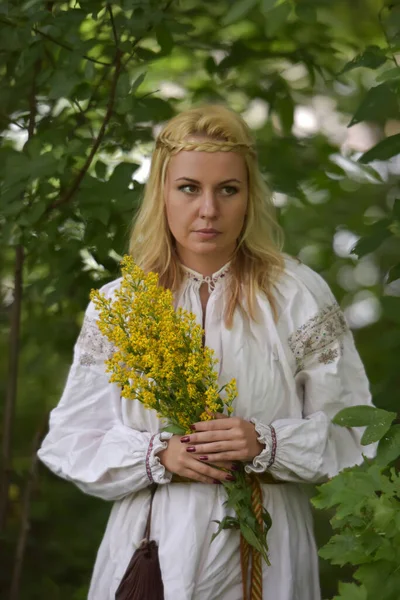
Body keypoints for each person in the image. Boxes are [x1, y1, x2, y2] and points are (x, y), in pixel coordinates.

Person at [38, 104, 375, 600]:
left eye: (228, 190)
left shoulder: (296, 294)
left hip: (267, 546)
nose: (209, 210)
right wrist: (158, 455)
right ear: (163, 193)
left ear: (249, 197)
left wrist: (266, 443)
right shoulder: (123, 304)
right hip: (154, 546)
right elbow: (71, 439)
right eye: (189, 188)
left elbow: (356, 432)